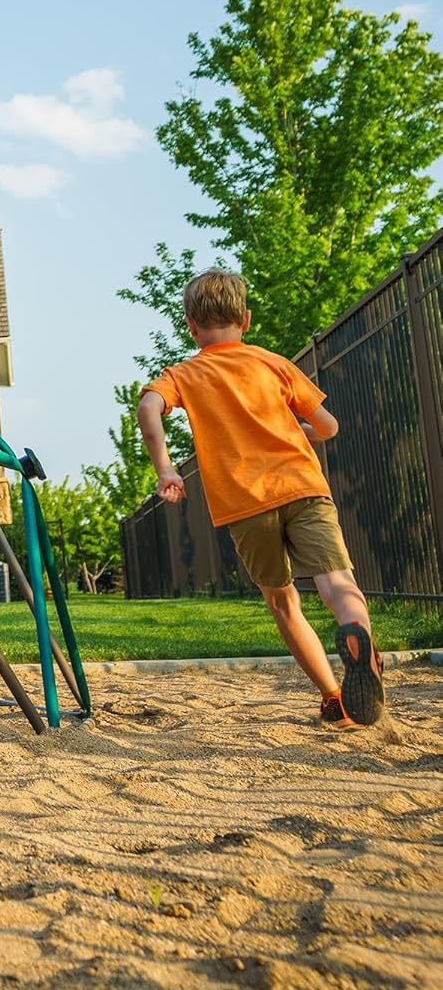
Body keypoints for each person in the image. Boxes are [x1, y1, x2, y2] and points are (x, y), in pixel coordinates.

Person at [137, 268, 385, 728]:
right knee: (338, 585)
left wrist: (167, 469)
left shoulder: (185, 374)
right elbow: (329, 428)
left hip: (246, 504)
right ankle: (360, 642)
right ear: (246, 319)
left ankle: (334, 697)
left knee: (283, 600)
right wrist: (296, 430)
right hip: (303, 486)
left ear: (190, 325)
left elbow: (148, 407)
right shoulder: (273, 364)